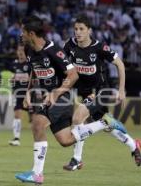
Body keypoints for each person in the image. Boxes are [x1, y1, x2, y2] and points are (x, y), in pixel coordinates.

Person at [14, 15, 126, 184]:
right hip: (49, 97)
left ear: (31, 33)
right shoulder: (29, 51)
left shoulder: (54, 51)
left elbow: (73, 75)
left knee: (37, 123)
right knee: (66, 140)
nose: (20, 35)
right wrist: (27, 92)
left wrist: (56, 93)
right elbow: (33, 71)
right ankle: (105, 124)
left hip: (62, 98)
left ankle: (37, 174)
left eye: (22, 31)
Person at [62, 14, 141, 171]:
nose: (78, 32)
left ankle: (77, 159)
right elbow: (63, 65)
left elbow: (120, 64)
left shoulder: (99, 47)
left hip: (101, 91)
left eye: (81, 29)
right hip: (85, 92)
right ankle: (134, 146)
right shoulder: (70, 45)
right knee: (107, 128)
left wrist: (121, 90)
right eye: (76, 29)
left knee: (78, 118)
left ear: (89, 31)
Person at [8, 44, 31, 146]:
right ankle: (16, 138)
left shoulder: (30, 65)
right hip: (18, 94)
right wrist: (12, 79)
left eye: (23, 50)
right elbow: (12, 79)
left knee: (35, 118)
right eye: (19, 50)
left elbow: (33, 79)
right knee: (17, 114)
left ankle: (40, 138)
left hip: (29, 95)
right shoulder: (14, 65)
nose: (21, 53)